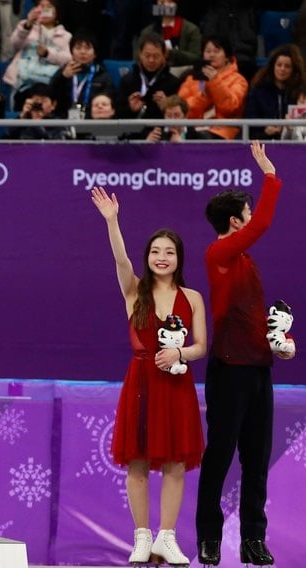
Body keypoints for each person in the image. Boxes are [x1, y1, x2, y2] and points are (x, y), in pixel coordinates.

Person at [91, 187, 206, 566]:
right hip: (140, 384)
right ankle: (141, 536)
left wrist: (180, 352)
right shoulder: (133, 291)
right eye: (156, 251)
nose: (162, 257)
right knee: (137, 463)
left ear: (179, 259)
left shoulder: (192, 298)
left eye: (169, 252)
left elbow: (201, 346)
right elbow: (121, 259)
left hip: (177, 384)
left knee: (175, 464)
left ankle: (166, 537)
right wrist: (112, 221)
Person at [195, 141, 296, 567]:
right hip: (229, 369)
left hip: (259, 370)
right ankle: (209, 539)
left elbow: (256, 317)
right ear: (235, 222)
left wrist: (282, 345)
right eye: (248, 216)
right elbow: (265, 223)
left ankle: (255, 539)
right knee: (219, 455)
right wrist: (270, 174)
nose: (254, 222)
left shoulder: (245, 260)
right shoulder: (219, 253)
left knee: (256, 461)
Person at [178, 34, 248, 140]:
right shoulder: (191, 79)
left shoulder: (239, 80)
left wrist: (214, 82)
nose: (211, 55)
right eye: (208, 51)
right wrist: (203, 97)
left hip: (223, 131)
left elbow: (231, 108)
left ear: (227, 56)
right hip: (194, 129)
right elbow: (183, 110)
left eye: (216, 51)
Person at [3, 0, 72, 106]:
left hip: (49, 83)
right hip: (24, 81)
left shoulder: (65, 35)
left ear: (57, 12)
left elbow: (67, 59)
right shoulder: (25, 26)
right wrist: (28, 24)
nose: (44, 10)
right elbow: (14, 44)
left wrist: (47, 54)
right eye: (41, 6)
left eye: (48, 7)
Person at [244, 44, 306, 140]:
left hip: (293, 143)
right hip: (263, 141)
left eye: (287, 66)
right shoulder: (258, 90)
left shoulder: (301, 91)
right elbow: (250, 119)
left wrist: (291, 126)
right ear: (273, 66)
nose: (282, 69)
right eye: (279, 65)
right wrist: (265, 130)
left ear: (294, 69)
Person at [48, 30, 114, 119]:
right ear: (71, 52)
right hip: (63, 120)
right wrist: (63, 77)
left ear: (95, 54)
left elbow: (108, 100)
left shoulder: (102, 75)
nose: (82, 52)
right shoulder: (63, 72)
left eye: (87, 48)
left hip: (93, 121)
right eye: (78, 48)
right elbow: (50, 96)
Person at [116, 32, 181, 120]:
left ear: (164, 55)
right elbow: (117, 113)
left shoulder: (174, 83)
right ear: (140, 54)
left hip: (161, 131)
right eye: (147, 56)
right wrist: (130, 108)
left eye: (156, 56)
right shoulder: (127, 80)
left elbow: (181, 115)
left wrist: (167, 107)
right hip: (133, 131)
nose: (151, 60)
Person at [134, 0, 201, 67]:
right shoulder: (147, 31)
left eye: (170, 2)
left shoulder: (191, 29)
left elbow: (196, 57)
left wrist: (171, 53)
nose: (165, 5)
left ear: (177, 5)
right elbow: (137, 57)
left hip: (182, 71)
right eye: (162, 2)